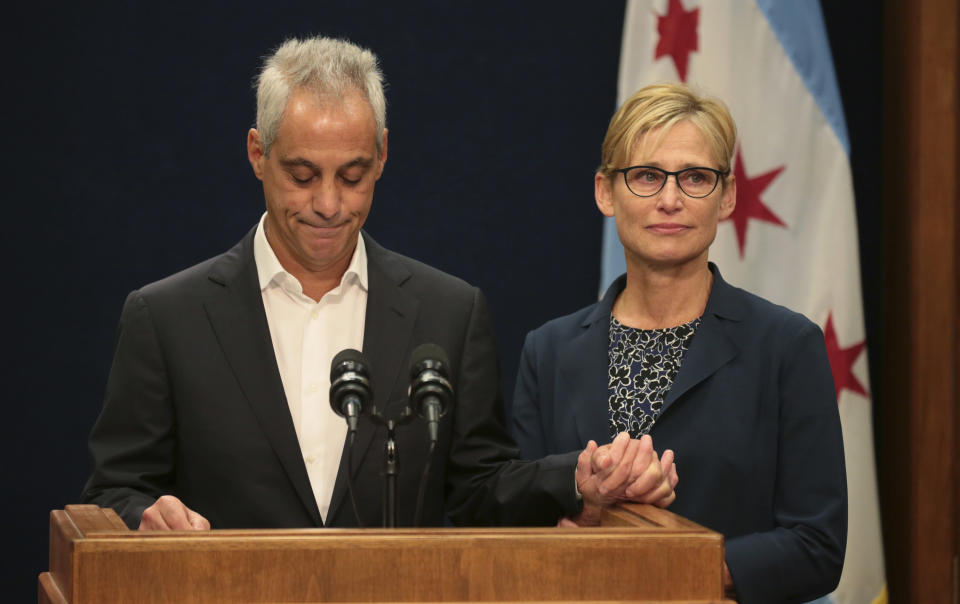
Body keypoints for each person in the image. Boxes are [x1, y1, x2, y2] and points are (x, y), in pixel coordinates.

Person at [81, 36, 676, 532]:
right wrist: (143, 515)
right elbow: (115, 487)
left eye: (353, 175)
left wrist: (573, 478)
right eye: (302, 174)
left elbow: (477, 490)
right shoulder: (167, 317)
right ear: (257, 153)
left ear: (383, 156)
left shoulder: (449, 312)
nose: (328, 204)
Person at [511, 83, 847, 603]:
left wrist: (675, 567)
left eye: (695, 177)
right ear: (605, 191)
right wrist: (580, 522)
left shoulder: (786, 345)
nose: (670, 200)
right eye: (646, 176)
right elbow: (514, 525)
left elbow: (817, 544)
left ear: (727, 195)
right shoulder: (548, 350)